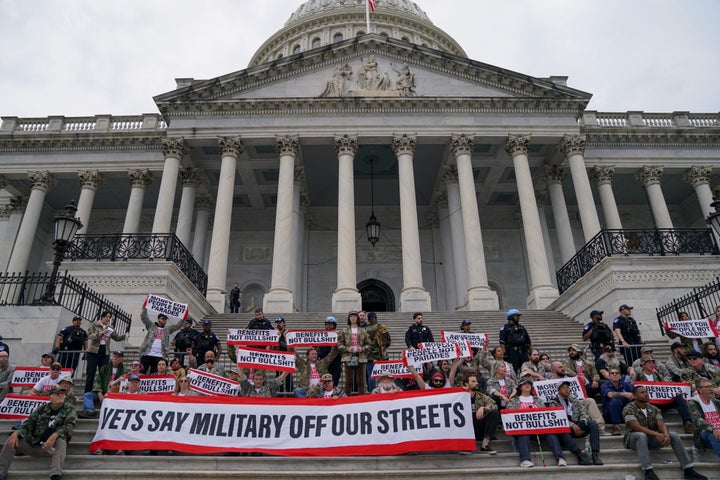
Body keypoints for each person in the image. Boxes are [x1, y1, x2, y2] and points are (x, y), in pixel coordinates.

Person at [623, 385, 708, 480]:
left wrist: (666, 435)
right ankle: (648, 471)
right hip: (633, 439)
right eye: (642, 393)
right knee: (641, 435)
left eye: (646, 392)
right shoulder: (628, 408)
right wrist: (656, 434)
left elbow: (661, 424)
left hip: (650, 439)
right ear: (635, 396)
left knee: (674, 435)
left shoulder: (653, 408)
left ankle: (688, 469)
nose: (645, 394)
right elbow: (636, 427)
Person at [0, 385, 76, 480]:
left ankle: (55, 474)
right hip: (35, 444)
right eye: (58, 394)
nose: (61, 395)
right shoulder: (42, 409)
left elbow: (70, 425)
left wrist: (54, 435)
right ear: (51, 396)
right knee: (13, 438)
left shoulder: (69, 408)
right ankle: (1, 473)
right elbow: (28, 424)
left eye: (62, 394)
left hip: (52, 448)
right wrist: (17, 433)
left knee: (61, 439)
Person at [507, 377, 568, 468]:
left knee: (550, 433)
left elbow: (544, 413)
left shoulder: (538, 400)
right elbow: (510, 414)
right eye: (524, 384)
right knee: (523, 435)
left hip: (539, 429)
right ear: (520, 387)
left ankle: (560, 458)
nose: (527, 385)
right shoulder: (514, 400)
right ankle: (525, 460)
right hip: (523, 429)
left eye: (529, 383)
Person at [634, 355, 693, 433]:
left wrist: (681, 385)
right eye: (649, 362)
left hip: (662, 402)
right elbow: (633, 387)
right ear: (643, 365)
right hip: (648, 403)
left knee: (679, 399)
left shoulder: (658, 375)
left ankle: (687, 422)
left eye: (653, 362)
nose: (652, 364)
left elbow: (666, 387)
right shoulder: (638, 376)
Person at [550, 380, 602, 465]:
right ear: (559, 391)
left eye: (567, 387)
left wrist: (582, 423)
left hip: (578, 424)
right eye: (563, 388)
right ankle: (579, 455)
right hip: (566, 428)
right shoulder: (554, 402)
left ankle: (595, 454)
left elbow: (584, 412)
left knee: (593, 424)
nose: (566, 390)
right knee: (562, 431)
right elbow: (558, 419)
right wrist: (572, 425)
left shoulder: (574, 399)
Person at [549, 361, 608, 435]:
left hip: (576, 401)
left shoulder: (571, 378)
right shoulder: (548, 382)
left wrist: (583, 381)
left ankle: (599, 427)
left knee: (590, 401)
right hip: (561, 404)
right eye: (560, 367)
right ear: (553, 370)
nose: (563, 369)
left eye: (563, 367)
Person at [84, 311, 126, 394]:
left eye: (109, 317)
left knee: (104, 373)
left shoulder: (110, 327)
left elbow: (116, 337)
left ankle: (103, 392)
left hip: (105, 351)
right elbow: (90, 336)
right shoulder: (94, 324)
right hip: (93, 351)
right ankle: (87, 392)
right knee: (91, 373)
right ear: (102, 317)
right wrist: (101, 333)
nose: (108, 319)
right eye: (107, 317)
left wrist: (124, 336)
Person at [79, 351, 126, 418]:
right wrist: (99, 392)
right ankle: (89, 411)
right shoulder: (105, 368)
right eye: (114, 356)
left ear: (122, 359)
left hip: (114, 393)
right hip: (103, 391)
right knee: (87, 395)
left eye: (118, 357)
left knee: (115, 387)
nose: (115, 358)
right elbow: (98, 381)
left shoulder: (124, 370)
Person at [139, 307, 183, 374]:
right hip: (146, 353)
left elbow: (178, 326)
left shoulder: (168, 329)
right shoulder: (151, 326)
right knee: (141, 373)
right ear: (158, 319)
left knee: (155, 374)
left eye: (165, 319)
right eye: (162, 318)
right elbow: (144, 318)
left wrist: (184, 317)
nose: (164, 320)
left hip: (159, 356)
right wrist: (144, 309)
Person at [463, 372, 499, 454]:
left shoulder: (481, 396)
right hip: (466, 428)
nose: (476, 383)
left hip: (479, 426)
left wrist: (484, 408)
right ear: (466, 383)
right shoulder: (459, 396)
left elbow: (494, 405)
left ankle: (485, 445)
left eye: (476, 381)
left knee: (494, 414)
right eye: (473, 381)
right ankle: (466, 445)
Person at [337, 311, 370, 395]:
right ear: (349, 318)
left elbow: (369, 344)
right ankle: (346, 399)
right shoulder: (344, 331)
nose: (353, 318)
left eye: (354, 316)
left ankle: (361, 399)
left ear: (357, 318)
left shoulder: (363, 331)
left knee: (360, 381)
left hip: (360, 357)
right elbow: (339, 345)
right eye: (351, 316)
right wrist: (348, 348)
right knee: (348, 381)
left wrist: (362, 348)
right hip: (348, 357)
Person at [688, 378, 720, 458]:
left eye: (711, 386)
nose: (711, 389)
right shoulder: (693, 402)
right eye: (707, 387)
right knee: (711, 433)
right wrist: (713, 429)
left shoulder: (715, 402)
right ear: (699, 390)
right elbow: (697, 420)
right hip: (704, 436)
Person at [601, 366, 633, 435]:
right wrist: (624, 394)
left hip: (623, 412)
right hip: (609, 414)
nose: (614, 374)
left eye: (616, 373)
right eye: (612, 373)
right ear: (609, 376)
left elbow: (635, 393)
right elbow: (610, 394)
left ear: (620, 376)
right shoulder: (605, 385)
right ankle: (616, 426)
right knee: (614, 400)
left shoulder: (625, 385)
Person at [499, 308, 532, 373]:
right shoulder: (505, 328)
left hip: (523, 352)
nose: (518, 317)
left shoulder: (522, 327)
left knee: (526, 370)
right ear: (511, 317)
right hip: (512, 352)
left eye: (518, 316)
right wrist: (504, 353)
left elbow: (528, 341)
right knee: (513, 371)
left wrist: (531, 352)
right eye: (516, 316)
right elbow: (502, 342)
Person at [365, 311, 390, 391]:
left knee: (371, 376)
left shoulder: (366, 329)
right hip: (382, 355)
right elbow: (388, 341)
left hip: (371, 356)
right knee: (384, 375)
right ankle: (384, 390)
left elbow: (365, 343)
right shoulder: (382, 327)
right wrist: (383, 347)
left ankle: (373, 392)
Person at [317, 316, 342, 385]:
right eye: (327, 324)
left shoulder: (339, 335)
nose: (328, 326)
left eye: (331, 324)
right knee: (325, 383)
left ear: (334, 325)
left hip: (335, 363)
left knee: (334, 383)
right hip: (324, 363)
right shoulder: (321, 336)